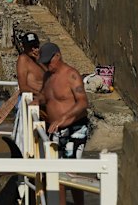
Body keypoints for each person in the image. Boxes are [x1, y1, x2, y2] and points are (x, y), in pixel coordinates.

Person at [38, 42, 89, 205]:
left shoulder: (71, 75)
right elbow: (45, 97)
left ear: (58, 56)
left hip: (75, 127)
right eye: (44, 63)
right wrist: (34, 102)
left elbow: (83, 103)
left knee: (71, 172)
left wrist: (63, 117)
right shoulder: (47, 76)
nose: (47, 66)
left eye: (49, 62)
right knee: (55, 173)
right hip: (55, 130)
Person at [16, 32, 45, 105]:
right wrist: (40, 94)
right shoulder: (23, 59)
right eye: (30, 47)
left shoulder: (40, 59)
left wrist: (40, 61)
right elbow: (23, 87)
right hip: (37, 99)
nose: (33, 49)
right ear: (24, 46)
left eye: (35, 46)